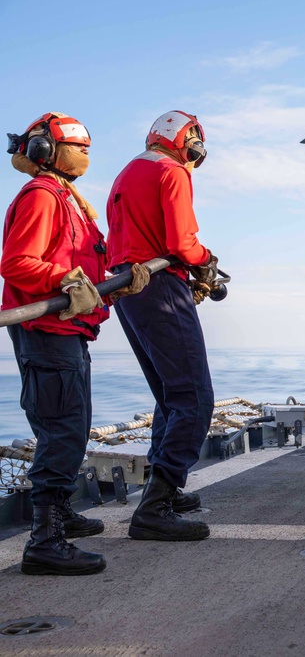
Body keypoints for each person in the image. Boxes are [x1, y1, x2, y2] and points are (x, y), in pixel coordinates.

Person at [2, 113, 112, 575]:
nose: (86, 153)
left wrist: (113, 282)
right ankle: (45, 541)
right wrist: (64, 279)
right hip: (45, 331)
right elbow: (16, 263)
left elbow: (79, 261)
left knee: (74, 423)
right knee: (62, 428)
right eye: (77, 146)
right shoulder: (42, 196)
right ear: (48, 151)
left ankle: (60, 511)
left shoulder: (68, 198)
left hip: (66, 328)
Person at [106, 110, 219, 542]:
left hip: (127, 289)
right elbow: (182, 244)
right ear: (188, 142)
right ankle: (156, 505)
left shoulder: (128, 171)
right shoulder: (171, 172)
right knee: (195, 396)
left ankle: (163, 486)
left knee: (170, 395)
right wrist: (207, 260)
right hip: (159, 285)